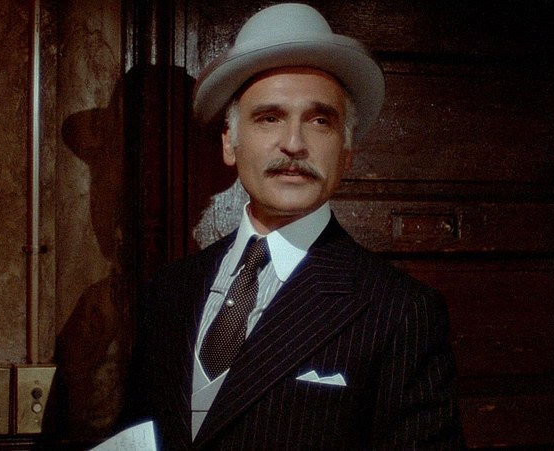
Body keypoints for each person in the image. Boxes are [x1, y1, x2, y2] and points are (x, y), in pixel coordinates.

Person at [121, 3, 465, 449]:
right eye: (269, 118)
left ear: (346, 151)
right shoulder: (169, 290)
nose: (294, 143)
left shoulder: (400, 311)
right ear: (230, 142)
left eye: (320, 121)